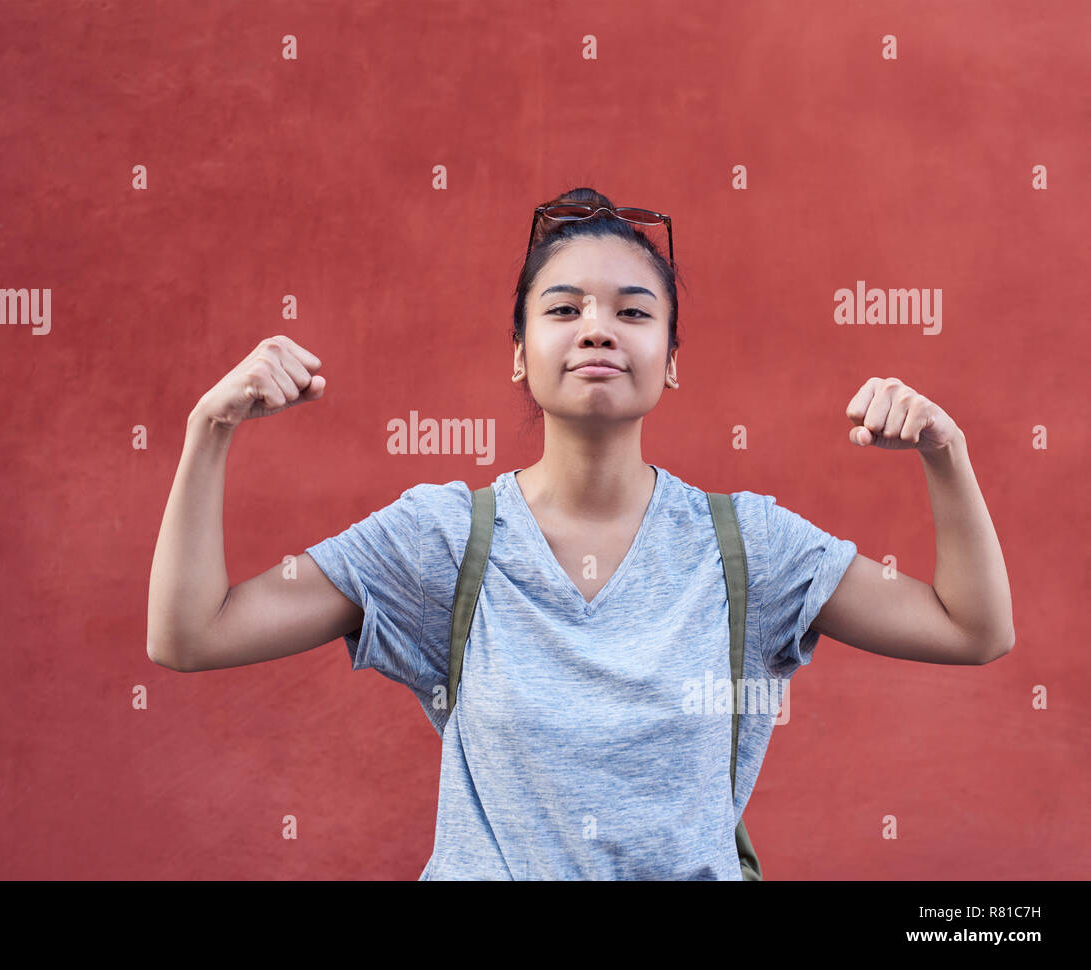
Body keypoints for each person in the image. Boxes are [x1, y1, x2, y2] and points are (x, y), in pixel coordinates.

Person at [146, 187, 1016, 880]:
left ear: (672, 361)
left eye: (634, 312)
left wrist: (945, 451)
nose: (598, 326)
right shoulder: (443, 540)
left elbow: (972, 629)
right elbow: (190, 635)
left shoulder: (747, 548)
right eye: (563, 309)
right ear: (519, 353)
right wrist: (208, 431)